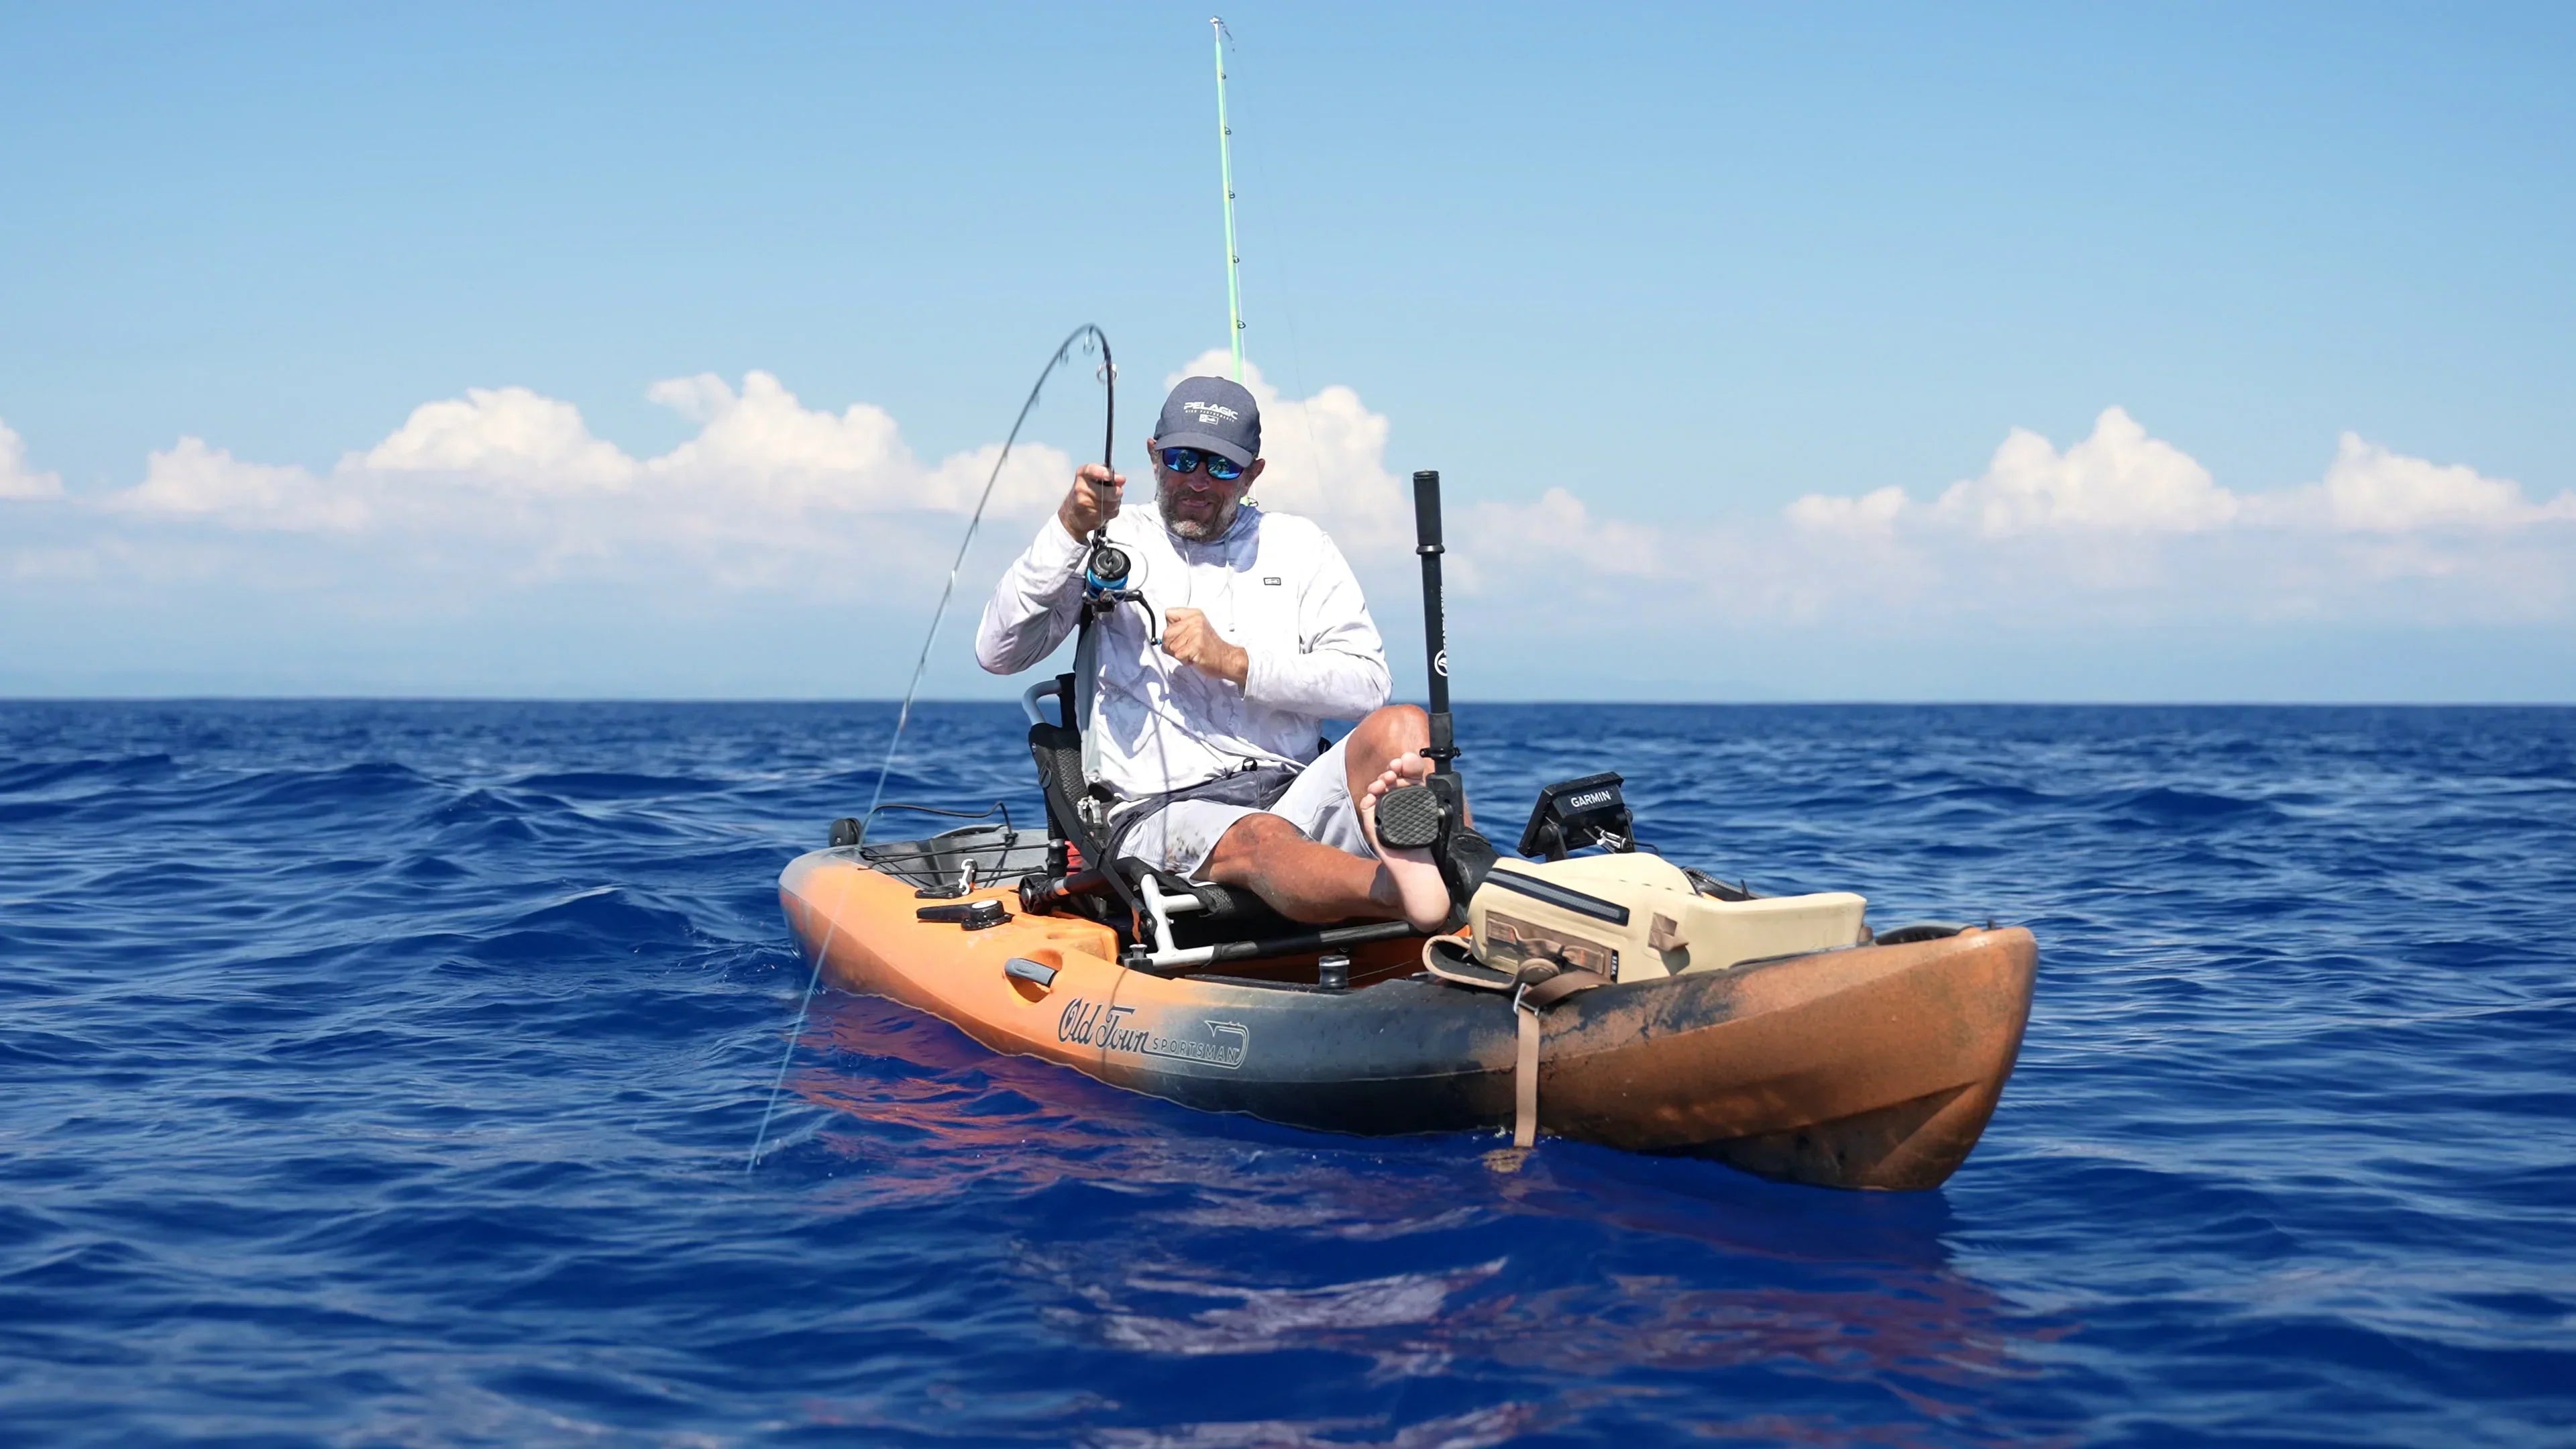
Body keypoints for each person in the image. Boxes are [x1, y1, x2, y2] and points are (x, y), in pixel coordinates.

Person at [975, 376, 1452, 932]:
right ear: (1154, 456)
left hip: (1290, 784)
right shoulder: (1104, 539)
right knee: (1260, 836)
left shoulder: (1301, 546)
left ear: (1254, 473)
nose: (1198, 481)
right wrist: (1067, 532)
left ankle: (1473, 884)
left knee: (1406, 727)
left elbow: (1368, 685)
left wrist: (1236, 662)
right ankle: (1407, 893)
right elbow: (998, 652)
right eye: (1182, 460)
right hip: (1160, 809)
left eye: (1222, 468)